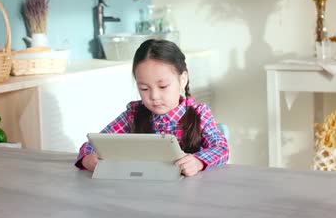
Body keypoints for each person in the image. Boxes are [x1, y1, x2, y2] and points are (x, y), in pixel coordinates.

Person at [75, 39, 229, 176]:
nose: (154, 96)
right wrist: (87, 158)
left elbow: (221, 148)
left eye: (163, 86)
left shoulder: (199, 114)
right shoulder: (133, 114)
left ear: (183, 80)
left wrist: (197, 162)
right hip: (143, 192)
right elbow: (96, 143)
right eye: (144, 88)